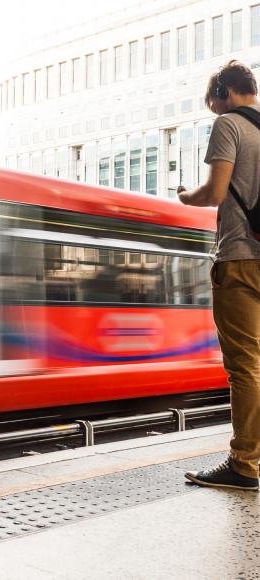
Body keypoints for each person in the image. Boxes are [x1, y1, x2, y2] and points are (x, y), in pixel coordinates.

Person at [177, 60, 260, 490]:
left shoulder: (230, 124)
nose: (215, 112)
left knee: (246, 366)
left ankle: (245, 464)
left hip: (242, 258)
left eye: (213, 103)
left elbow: (215, 191)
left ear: (225, 92)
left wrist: (185, 197)